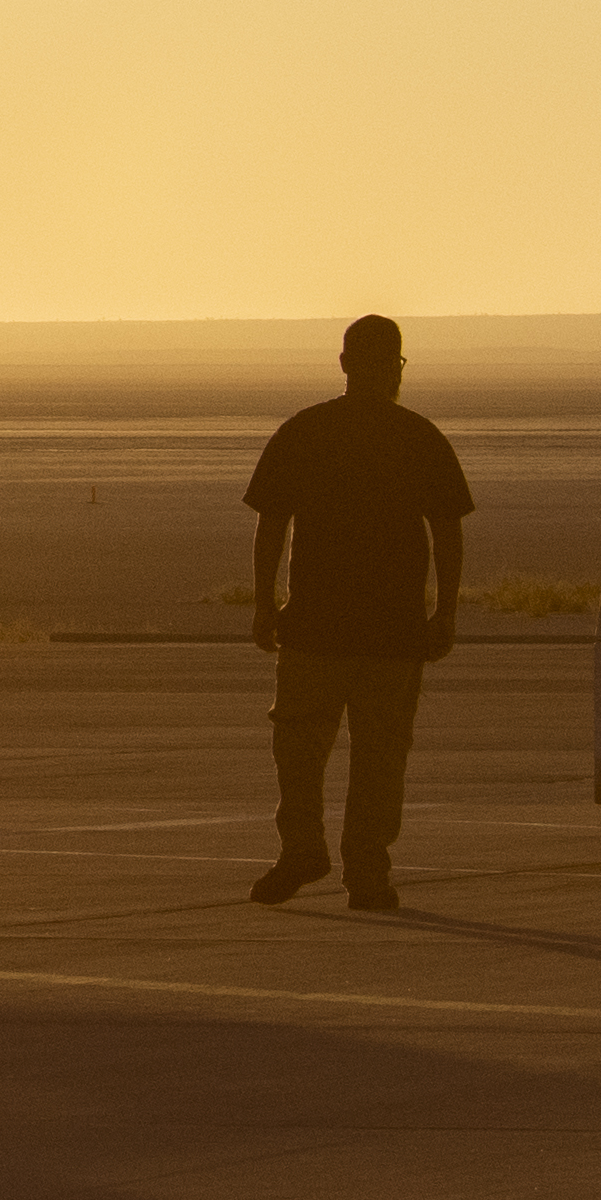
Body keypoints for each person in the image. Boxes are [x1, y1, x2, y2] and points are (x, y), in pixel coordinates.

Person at [246, 313, 471, 911]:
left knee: (306, 751)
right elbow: (447, 531)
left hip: (334, 629)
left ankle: (320, 856)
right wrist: (445, 611)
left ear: (346, 363)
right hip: (371, 630)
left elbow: (271, 523)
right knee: (375, 758)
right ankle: (357, 868)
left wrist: (264, 603)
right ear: (388, 367)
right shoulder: (414, 435)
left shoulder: (307, 431)